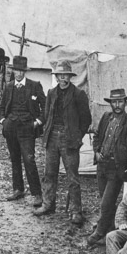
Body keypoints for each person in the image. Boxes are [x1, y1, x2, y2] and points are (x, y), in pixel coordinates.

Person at [34, 61, 91, 225]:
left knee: (72, 177)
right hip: (52, 137)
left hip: (69, 139)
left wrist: (77, 137)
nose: (62, 78)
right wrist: (42, 127)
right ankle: (48, 204)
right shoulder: (51, 93)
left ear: (70, 77)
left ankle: (75, 211)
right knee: (49, 173)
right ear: (56, 76)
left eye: (65, 75)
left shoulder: (79, 94)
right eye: (59, 75)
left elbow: (86, 119)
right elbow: (46, 116)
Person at [85, 89, 127, 246]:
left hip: (116, 169)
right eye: (114, 102)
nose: (117, 105)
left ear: (125, 103)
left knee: (106, 202)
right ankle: (110, 229)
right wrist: (96, 152)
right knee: (105, 199)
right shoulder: (106, 117)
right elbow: (97, 137)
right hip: (102, 165)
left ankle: (100, 232)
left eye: (120, 102)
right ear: (110, 103)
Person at [0, 56, 44, 207]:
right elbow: (2, 107)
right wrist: (3, 121)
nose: (18, 73)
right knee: (14, 158)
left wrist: (38, 122)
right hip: (11, 127)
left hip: (27, 128)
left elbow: (45, 107)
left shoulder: (34, 86)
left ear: (25, 71)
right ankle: (18, 189)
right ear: (13, 71)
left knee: (29, 159)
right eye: (16, 70)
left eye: (21, 71)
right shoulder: (9, 86)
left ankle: (37, 194)